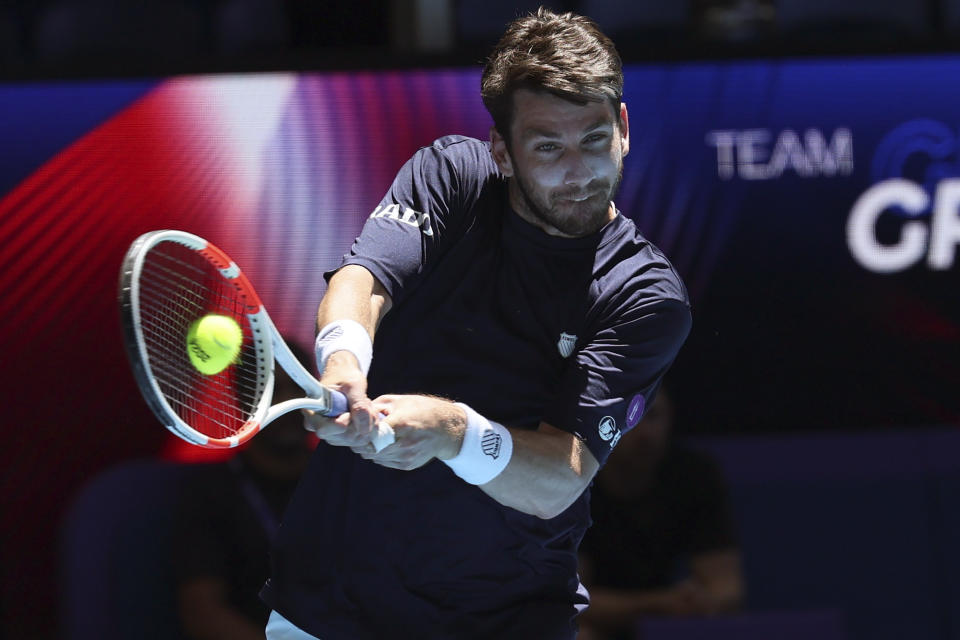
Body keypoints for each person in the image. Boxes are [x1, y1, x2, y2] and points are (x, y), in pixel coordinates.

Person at [260, 8, 692, 639]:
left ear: (623, 128)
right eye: (547, 147)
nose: (578, 171)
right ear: (503, 152)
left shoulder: (644, 295)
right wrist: (344, 362)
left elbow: (559, 479)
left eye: (595, 139)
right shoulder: (453, 178)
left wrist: (453, 432)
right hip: (331, 607)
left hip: (505, 619)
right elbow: (365, 280)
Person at [172, 342, 316, 640]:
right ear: (242, 401)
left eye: (298, 388)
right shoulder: (210, 493)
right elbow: (203, 615)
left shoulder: (345, 479)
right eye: (272, 389)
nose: (287, 401)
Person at [576, 388, 744, 640]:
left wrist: (698, 601)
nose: (644, 433)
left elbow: (727, 588)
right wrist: (658, 604)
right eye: (630, 419)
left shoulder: (694, 476)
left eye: (653, 416)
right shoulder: (573, 480)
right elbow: (572, 602)